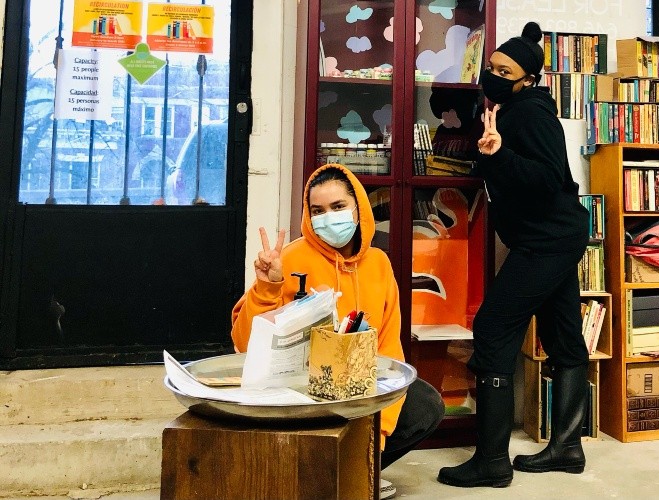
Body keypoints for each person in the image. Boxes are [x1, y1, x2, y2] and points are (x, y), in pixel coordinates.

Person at [437, 21, 591, 488]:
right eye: (491, 67)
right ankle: (567, 447)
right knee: (564, 335)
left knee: (493, 327)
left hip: (548, 240)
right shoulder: (508, 108)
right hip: (553, 237)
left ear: (527, 78)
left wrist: (499, 154)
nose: (493, 75)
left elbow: (549, 179)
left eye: (504, 70)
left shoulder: (530, 114)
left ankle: (491, 461)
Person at [231, 163, 445, 498]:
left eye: (338, 207)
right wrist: (266, 287)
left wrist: (379, 433)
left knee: (425, 404)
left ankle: (357, 468)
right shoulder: (288, 258)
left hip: (357, 387)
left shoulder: (378, 263)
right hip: (301, 391)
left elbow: (389, 347)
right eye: (317, 211)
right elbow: (245, 346)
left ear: (358, 209)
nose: (328, 218)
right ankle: (316, 475)